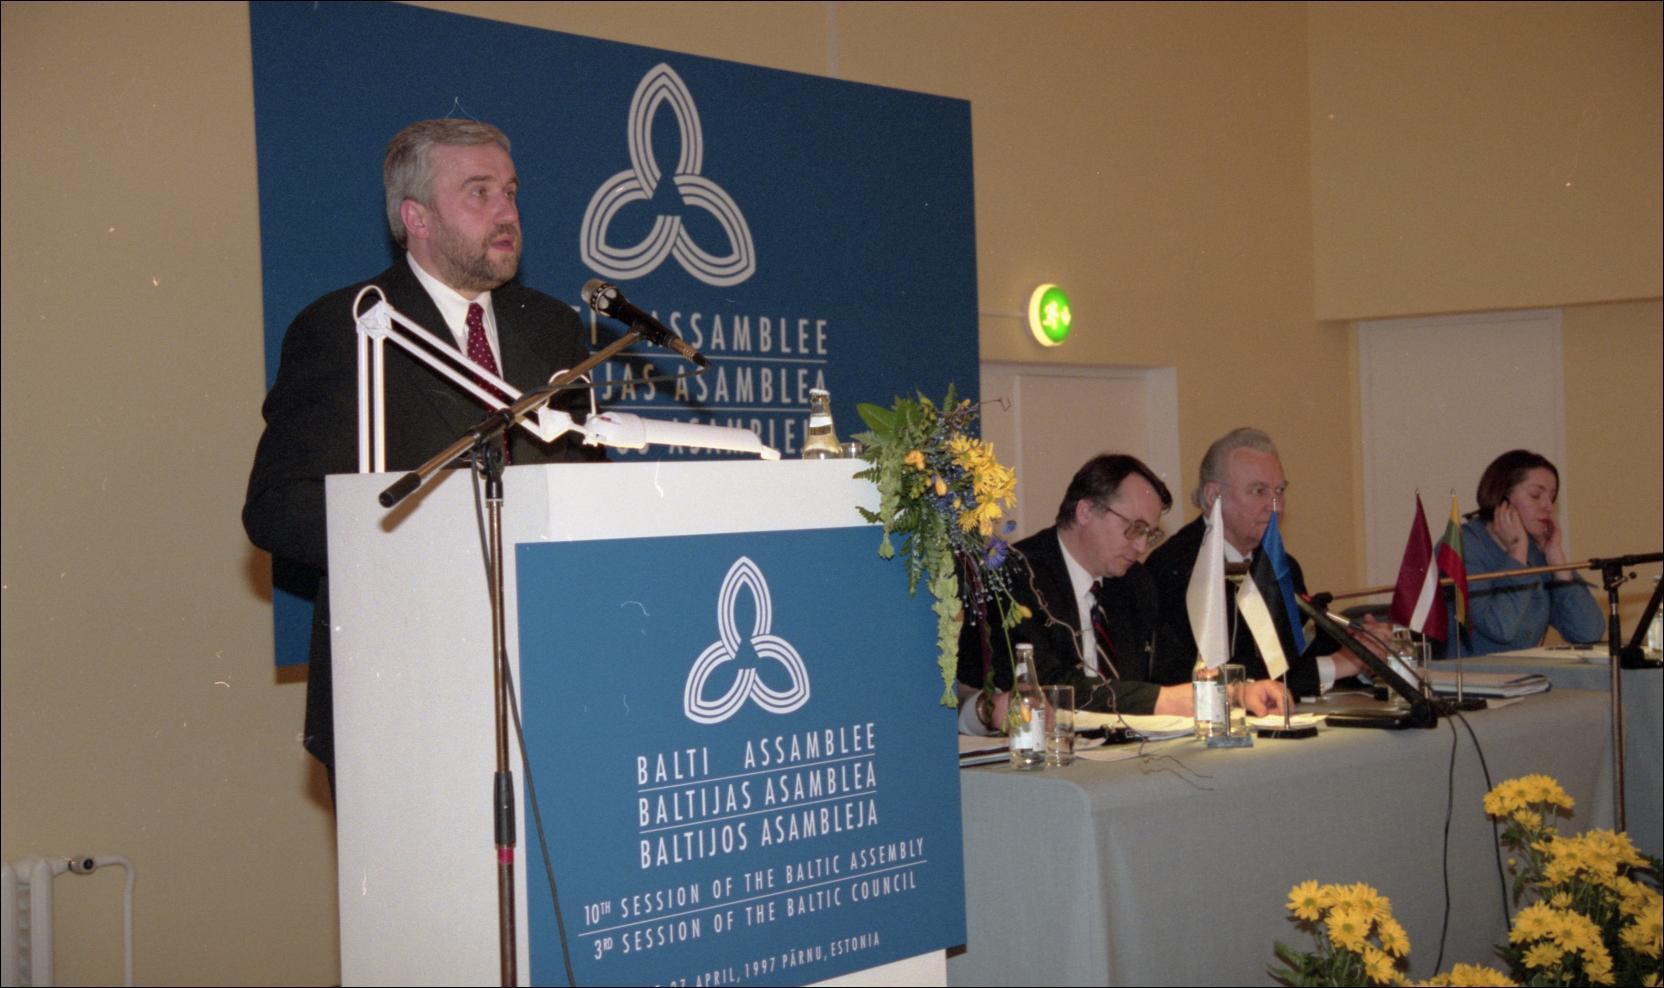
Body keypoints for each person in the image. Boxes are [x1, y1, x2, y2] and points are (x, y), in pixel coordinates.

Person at [243, 119, 602, 780]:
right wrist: (444, 530)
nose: (507, 212)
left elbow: (586, 482)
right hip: (402, 686)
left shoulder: (552, 327)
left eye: (510, 191)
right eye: (479, 192)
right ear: (417, 218)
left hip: (549, 672)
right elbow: (278, 508)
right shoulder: (349, 327)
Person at [956, 453, 1289, 733]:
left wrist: (1236, 693)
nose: (1141, 546)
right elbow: (1047, 686)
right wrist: (1160, 700)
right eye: (1135, 528)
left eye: (1150, 533)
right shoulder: (1014, 575)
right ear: (1085, 512)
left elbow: (1167, 673)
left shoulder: (1135, 583)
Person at [1144, 428, 1373, 697]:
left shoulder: (1283, 567)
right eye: (1259, 491)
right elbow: (1200, 674)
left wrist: (1363, 649)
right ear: (1213, 496)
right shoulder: (1176, 568)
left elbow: (1299, 651)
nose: (1276, 506)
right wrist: (1333, 666)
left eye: (1280, 491)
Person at [1457, 450, 1602, 655]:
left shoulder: (1537, 551)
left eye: (1552, 497)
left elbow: (1588, 632)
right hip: (1470, 674)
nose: (1548, 506)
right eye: (1536, 495)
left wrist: (1558, 562)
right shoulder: (1462, 546)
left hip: (1527, 673)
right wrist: (1517, 554)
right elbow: (1501, 628)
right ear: (1502, 498)